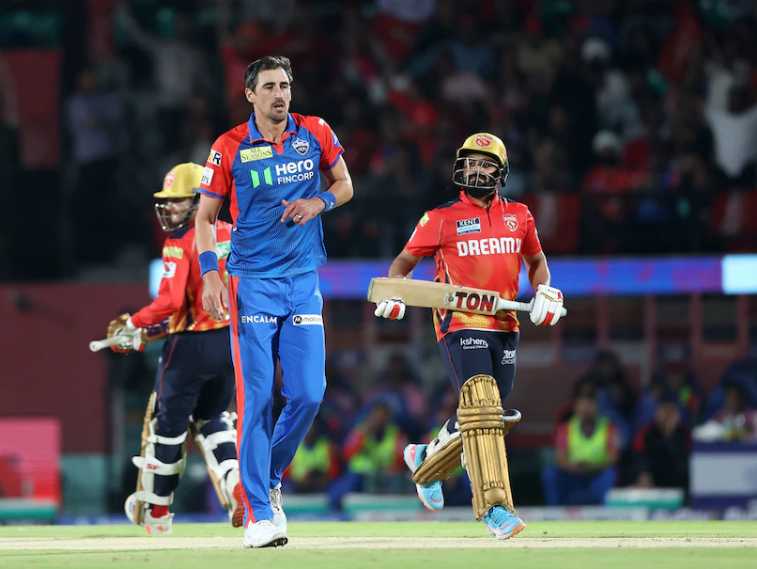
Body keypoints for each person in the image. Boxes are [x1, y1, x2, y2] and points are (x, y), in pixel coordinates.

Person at [195, 55, 354, 548]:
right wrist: (210, 275)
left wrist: (318, 202)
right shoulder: (228, 147)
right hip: (252, 285)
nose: (280, 94)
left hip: (302, 281)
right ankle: (259, 514)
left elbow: (345, 185)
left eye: (284, 85)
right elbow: (204, 218)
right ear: (250, 94)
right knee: (258, 400)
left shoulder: (316, 132)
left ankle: (266, 477)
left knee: (309, 393)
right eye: (269, 86)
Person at [374, 132, 564, 540]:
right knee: (483, 406)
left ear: (501, 172)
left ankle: (427, 458)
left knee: (487, 408)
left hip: (505, 324)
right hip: (460, 322)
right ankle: (495, 508)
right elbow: (403, 262)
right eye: (471, 163)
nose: (477, 170)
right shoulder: (440, 218)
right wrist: (394, 292)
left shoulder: (520, 216)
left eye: (485, 164)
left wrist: (544, 290)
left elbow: (536, 261)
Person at [104, 163, 239, 535]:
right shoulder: (232, 233)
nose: (169, 209)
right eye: (166, 202)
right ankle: (236, 487)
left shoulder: (180, 242)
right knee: (215, 420)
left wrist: (134, 323)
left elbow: (170, 302)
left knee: (166, 427)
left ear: (199, 201)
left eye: (177, 201)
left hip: (189, 347)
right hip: (230, 344)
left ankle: (158, 511)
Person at [542, 382, 619, 505]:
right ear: (576, 407)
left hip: (597, 475)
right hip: (572, 475)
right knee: (550, 474)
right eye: (582, 404)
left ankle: (603, 509)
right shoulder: (565, 429)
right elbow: (560, 459)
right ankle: (555, 510)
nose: (586, 409)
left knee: (610, 474)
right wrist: (575, 467)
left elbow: (613, 458)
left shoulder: (608, 428)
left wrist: (593, 466)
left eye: (590, 404)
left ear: (597, 406)